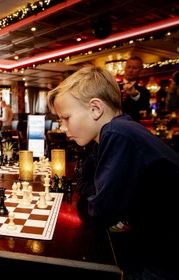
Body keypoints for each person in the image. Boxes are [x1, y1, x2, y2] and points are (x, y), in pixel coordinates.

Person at [47, 65, 179, 280]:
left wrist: (95, 192)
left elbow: (100, 210)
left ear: (95, 109)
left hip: (162, 257)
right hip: (151, 245)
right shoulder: (110, 134)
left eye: (66, 117)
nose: (62, 127)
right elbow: (89, 185)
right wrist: (95, 191)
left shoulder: (118, 133)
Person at [118, 56, 150, 123]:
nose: (130, 70)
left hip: (132, 127)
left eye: (134, 68)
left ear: (140, 70)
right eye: (128, 67)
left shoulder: (143, 91)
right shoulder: (114, 86)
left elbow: (145, 107)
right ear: (125, 68)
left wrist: (134, 94)